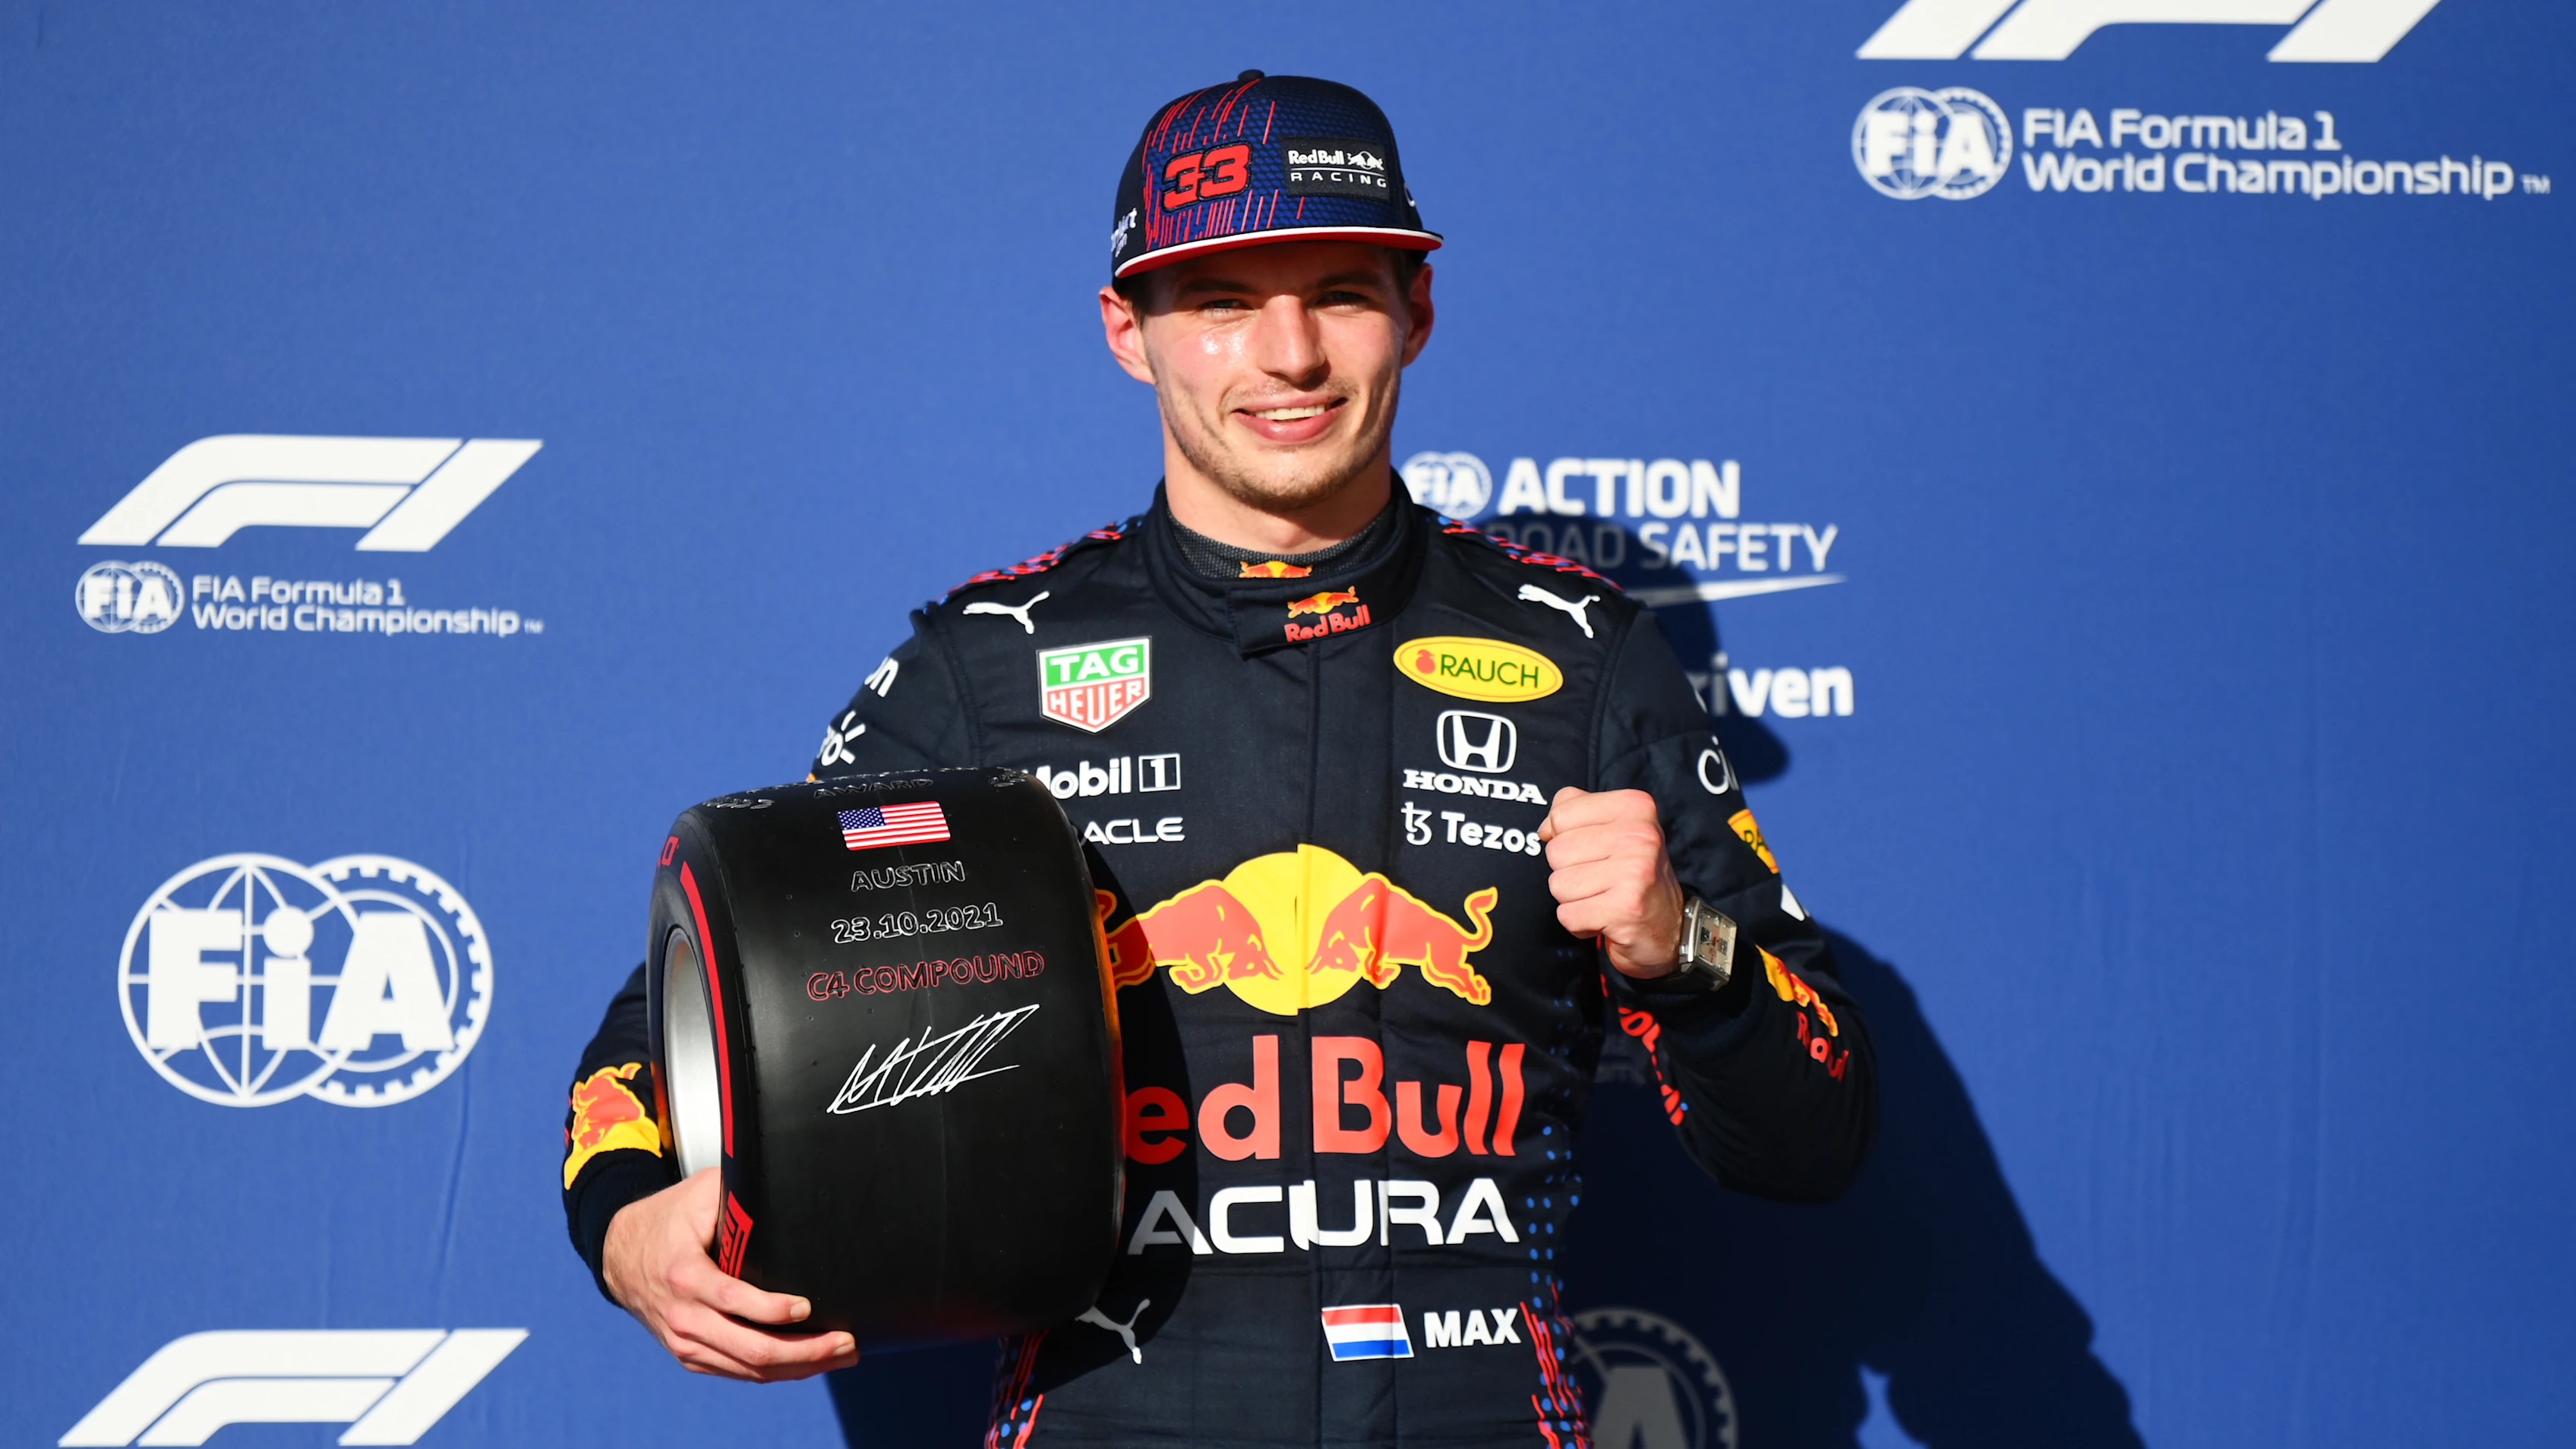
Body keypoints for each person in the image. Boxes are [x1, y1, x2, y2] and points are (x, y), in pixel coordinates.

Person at [560, 71, 1876, 1447]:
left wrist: (1682, 953)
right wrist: (625, 1222)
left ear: (1417, 312)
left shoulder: (1588, 656)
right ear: (1130, 332)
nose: (1291, 355)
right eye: (1224, 302)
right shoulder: (987, 666)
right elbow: (683, 1015)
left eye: (1342, 293)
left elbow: (1818, 1137)